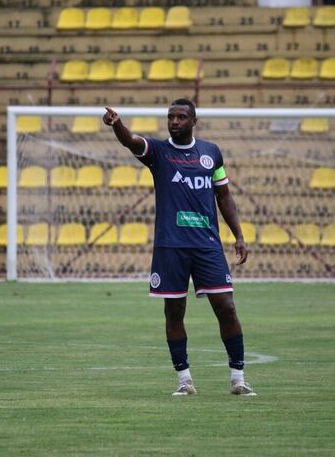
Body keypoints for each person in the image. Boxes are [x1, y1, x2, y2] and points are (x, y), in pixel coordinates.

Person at [103, 99, 255, 396]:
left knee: (226, 307)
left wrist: (238, 235)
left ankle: (238, 378)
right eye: (170, 117)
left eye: (181, 117)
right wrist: (117, 124)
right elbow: (131, 142)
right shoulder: (158, 152)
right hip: (170, 246)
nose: (174, 121)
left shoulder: (211, 153)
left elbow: (224, 197)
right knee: (174, 311)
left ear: (193, 121)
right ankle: (184, 381)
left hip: (207, 245)